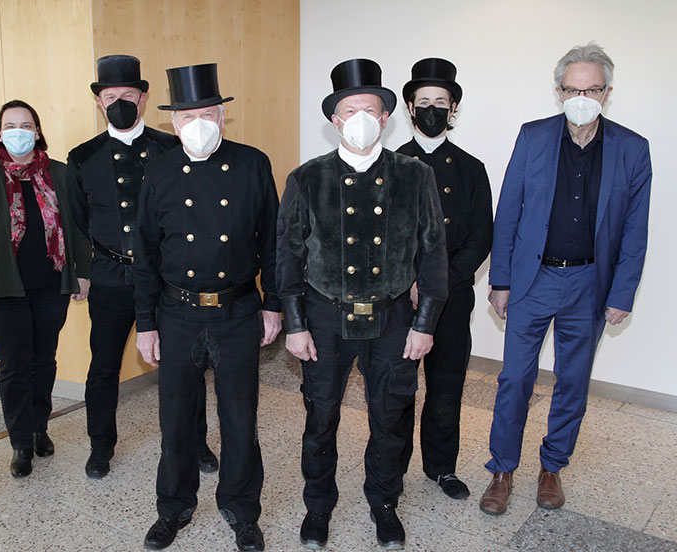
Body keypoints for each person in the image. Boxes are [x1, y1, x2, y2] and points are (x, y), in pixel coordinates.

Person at [277, 59, 448, 550]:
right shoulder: (307, 177)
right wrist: (294, 322)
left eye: (369, 109)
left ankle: (384, 501)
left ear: (386, 117)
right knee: (320, 417)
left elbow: (433, 252)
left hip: (394, 318)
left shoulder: (416, 175)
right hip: (324, 318)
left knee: (390, 416)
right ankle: (318, 506)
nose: (360, 118)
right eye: (350, 110)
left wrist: (425, 322)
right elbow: (286, 253)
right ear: (335, 119)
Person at [480, 43, 652, 516]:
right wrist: (501, 279)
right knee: (515, 377)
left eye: (592, 88)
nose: (582, 96)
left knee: (573, 381)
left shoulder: (633, 150)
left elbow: (635, 230)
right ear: (558, 92)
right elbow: (508, 210)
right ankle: (502, 468)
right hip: (533, 279)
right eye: (573, 88)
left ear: (607, 92)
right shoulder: (533, 137)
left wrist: (622, 294)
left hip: (589, 285)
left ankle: (552, 466)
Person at [133, 63, 281, 552]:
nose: (197, 123)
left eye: (207, 113)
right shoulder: (156, 170)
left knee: (240, 418)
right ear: (173, 123)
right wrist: (146, 324)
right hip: (176, 313)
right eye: (187, 115)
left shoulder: (252, 163)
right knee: (176, 418)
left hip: (238, 311)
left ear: (222, 115)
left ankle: (242, 509)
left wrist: (274, 305)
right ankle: (173, 507)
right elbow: (146, 254)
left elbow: (273, 243)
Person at [66, 55, 217, 479]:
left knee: (185, 364)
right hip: (112, 277)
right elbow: (78, 219)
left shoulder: (172, 148)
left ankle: (197, 439)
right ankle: (101, 445)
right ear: (99, 103)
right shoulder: (83, 157)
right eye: (110, 97)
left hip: (168, 279)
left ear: (144, 99)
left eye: (127, 96)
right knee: (103, 367)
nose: (119, 103)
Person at [0, 100, 91, 478]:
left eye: (26, 124)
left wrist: (83, 272)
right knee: (14, 366)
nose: (19, 131)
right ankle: (20, 442)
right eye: (10, 125)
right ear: (0, 132)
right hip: (3, 292)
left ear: (37, 130)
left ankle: (39, 427)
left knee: (43, 361)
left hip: (52, 285)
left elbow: (79, 226)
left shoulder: (61, 175)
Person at [395, 58, 493, 500]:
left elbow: (480, 236)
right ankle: (389, 471)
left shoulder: (471, 168)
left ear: (453, 109)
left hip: (452, 295)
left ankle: (441, 468)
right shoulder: (391, 163)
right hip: (399, 298)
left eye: (441, 102)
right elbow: (378, 238)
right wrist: (409, 281)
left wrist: (439, 282)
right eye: (424, 102)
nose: (432, 109)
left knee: (446, 384)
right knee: (396, 387)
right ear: (409, 108)